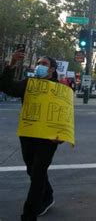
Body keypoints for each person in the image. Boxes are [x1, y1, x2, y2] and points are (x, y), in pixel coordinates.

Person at [0, 50, 63, 220]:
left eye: (44, 64)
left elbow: (64, 115)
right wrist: (11, 65)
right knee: (32, 169)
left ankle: (29, 215)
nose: (39, 67)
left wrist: (61, 136)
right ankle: (48, 195)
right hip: (28, 134)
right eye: (38, 64)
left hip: (48, 138)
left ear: (52, 69)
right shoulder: (28, 83)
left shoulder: (60, 89)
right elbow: (7, 87)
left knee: (38, 174)